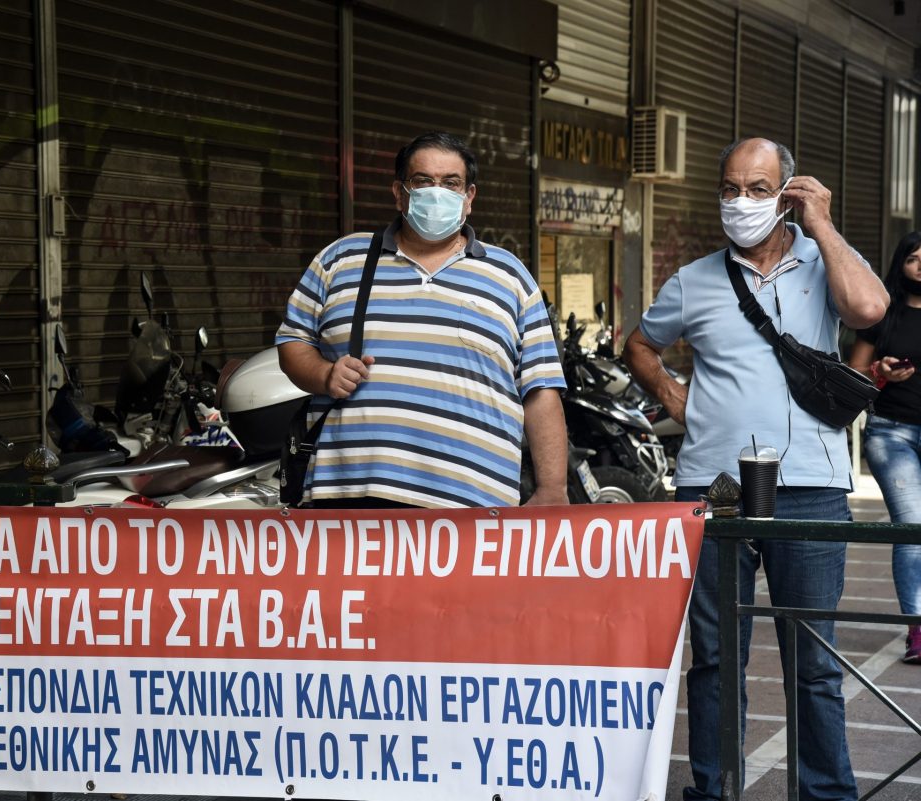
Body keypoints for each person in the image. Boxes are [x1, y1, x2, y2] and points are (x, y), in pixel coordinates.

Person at [622, 137, 888, 801]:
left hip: (812, 485)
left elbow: (869, 310)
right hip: (715, 488)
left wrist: (822, 224)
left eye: (758, 189)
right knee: (715, 656)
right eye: (731, 189)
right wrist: (672, 395)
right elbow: (641, 344)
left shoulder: (824, 261)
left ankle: (826, 793)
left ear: (787, 194)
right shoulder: (694, 280)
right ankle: (714, 790)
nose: (741, 202)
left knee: (814, 658)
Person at [275, 131, 568, 509]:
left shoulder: (511, 277)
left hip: (471, 508)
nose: (437, 192)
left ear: (469, 198)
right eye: (423, 181)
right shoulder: (341, 260)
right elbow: (293, 342)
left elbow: (540, 389)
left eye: (451, 183)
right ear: (399, 193)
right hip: (349, 500)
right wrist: (325, 374)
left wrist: (552, 488)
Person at [849, 231, 921, 663]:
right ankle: (918, 629)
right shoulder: (883, 312)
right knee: (912, 527)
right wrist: (881, 371)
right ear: (901, 264)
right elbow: (854, 372)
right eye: (914, 258)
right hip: (892, 433)